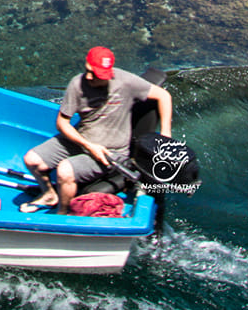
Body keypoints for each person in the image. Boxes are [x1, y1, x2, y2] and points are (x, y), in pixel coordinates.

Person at [22, 46, 172, 212]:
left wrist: (165, 134)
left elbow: (163, 96)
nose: (89, 76)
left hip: (110, 151)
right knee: (32, 159)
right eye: (88, 70)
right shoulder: (77, 84)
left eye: (95, 75)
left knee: (65, 171)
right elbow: (62, 123)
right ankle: (49, 194)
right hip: (83, 141)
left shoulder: (125, 82)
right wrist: (88, 145)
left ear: (108, 75)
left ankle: (63, 214)